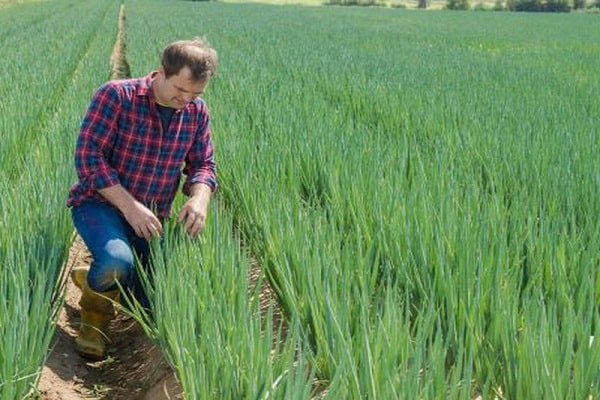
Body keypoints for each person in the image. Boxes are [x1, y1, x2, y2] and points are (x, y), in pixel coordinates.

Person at [66, 38, 218, 360]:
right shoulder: (117, 96)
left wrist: (199, 198)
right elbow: (88, 157)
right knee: (118, 261)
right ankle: (94, 321)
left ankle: (97, 280)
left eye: (196, 94)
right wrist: (129, 206)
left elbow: (203, 165)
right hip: (100, 205)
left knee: (150, 302)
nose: (186, 99)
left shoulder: (196, 112)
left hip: (150, 218)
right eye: (180, 89)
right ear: (162, 72)